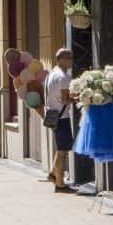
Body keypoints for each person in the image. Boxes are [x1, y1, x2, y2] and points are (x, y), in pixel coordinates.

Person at [46, 47, 77, 193]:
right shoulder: (63, 77)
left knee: (60, 148)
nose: (71, 60)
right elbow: (65, 99)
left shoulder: (52, 73)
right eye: (69, 58)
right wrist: (79, 98)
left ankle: (53, 174)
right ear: (62, 59)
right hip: (62, 116)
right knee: (62, 150)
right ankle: (60, 184)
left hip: (53, 114)